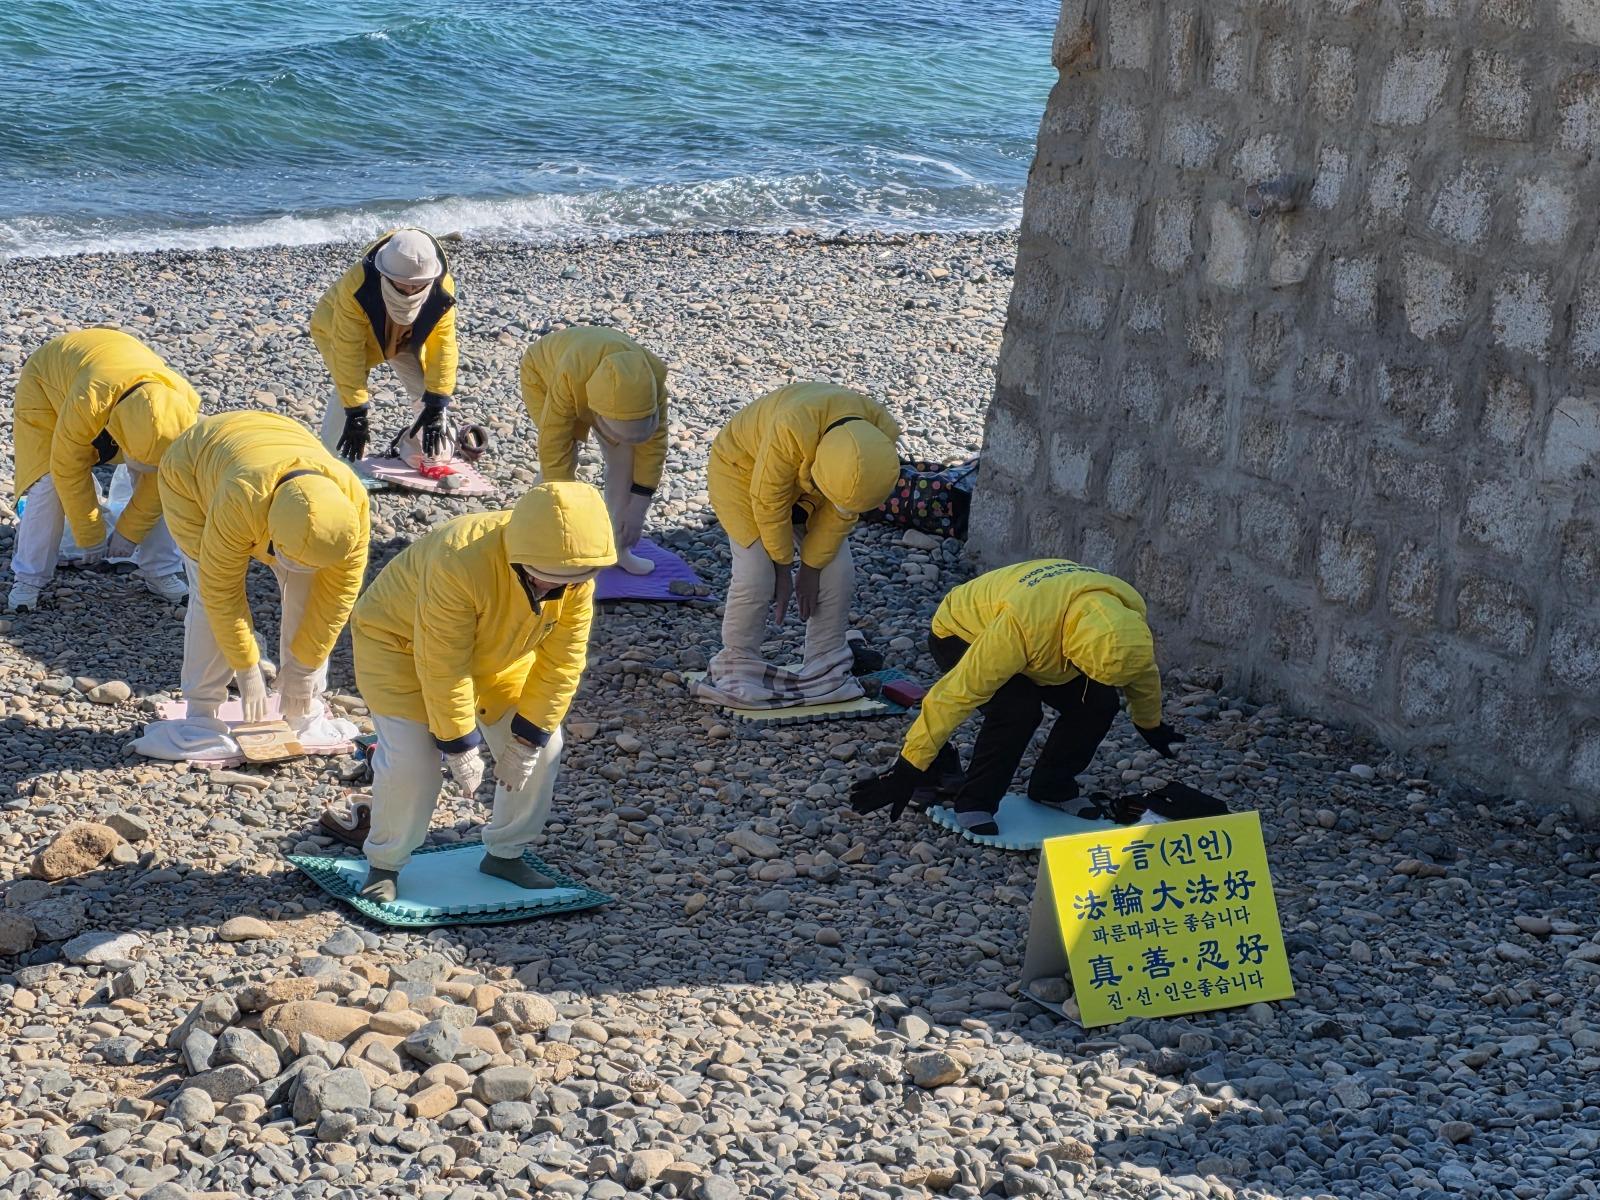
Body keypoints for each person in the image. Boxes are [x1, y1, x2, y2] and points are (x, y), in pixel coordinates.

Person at [351, 481, 615, 902]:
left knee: (545, 747)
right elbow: (443, 663)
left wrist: (527, 742)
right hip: (398, 646)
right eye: (541, 581)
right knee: (412, 764)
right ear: (519, 557)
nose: (551, 592)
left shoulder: (575, 570)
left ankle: (505, 853)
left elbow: (563, 661)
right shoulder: (458, 558)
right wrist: (458, 746)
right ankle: (385, 863)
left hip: (499, 654)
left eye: (563, 586)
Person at [850, 559, 1186, 834]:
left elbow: (1141, 672)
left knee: (1099, 703)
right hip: (962, 630)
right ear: (1071, 651)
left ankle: (1052, 787)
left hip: (1046, 634)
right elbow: (952, 697)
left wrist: (1149, 722)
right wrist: (910, 767)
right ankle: (975, 802)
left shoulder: (1126, 619)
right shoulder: (1020, 627)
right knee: (1016, 711)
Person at [157, 412, 369, 732]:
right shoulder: (240, 498)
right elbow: (221, 590)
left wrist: (305, 668)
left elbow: (335, 599)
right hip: (191, 469)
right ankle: (201, 710)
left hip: (273, 444)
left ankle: (305, 704)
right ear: (270, 530)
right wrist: (245, 666)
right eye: (287, 556)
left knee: (310, 589)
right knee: (205, 593)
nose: (290, 567)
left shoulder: (352, 506)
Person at [693, 382, 900, 709]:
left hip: (816, 481)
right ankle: (737, 662)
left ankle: (825, 662)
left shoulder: (879, 435)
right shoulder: (792, 427)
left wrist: (812, 568)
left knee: (838, 571)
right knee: (755, 574)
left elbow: (842, 512)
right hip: (743, 472)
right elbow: (768, 501)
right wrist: (782, 567)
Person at [9, 328, 199, 612]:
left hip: (114, 385)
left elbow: (162, 479)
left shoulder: (184, 402)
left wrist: (128, 534)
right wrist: (91, 537)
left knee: (169, 486)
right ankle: (28, 578)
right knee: (46, 481)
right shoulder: (89, 398)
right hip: (47, 385)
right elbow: (68, 470)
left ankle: (160, 570)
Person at [519, 326, 668, 576]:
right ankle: (540, 545)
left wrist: (637, 508)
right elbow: (554, 445)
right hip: (543, 376)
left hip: (591, 373)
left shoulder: (651, 379)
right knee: (559, 462)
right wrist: (564, 513)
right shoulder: (570, 375)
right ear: (597, 415)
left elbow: (654, 446)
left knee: (626, 464)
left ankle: (616, 549)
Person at [310, 228, 458, 465]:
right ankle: (332, 460)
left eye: (418, 285)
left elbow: (443, 347)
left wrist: (437, 403)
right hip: (340, 330)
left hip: (406, 335)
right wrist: (357, 412)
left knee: (426, 397)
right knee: (347, 388)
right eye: (403, 285)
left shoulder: (442, 289)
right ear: (385, 274)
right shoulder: (357, 287)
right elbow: (348, 352)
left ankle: (421, 453)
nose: (411, 290)